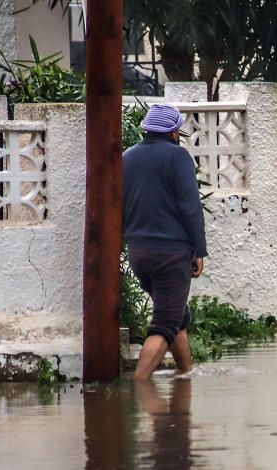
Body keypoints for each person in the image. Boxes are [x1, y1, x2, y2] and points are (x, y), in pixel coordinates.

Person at [122, 103, 207, 380]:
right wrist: (199, 251)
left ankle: (186, 376)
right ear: (173, 131)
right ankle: (140, 385)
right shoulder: (178, 157)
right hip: (170, 254)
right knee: (164, 324)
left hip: (139, 254)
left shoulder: (127, 157)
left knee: (176, 316)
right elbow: (190, 207)